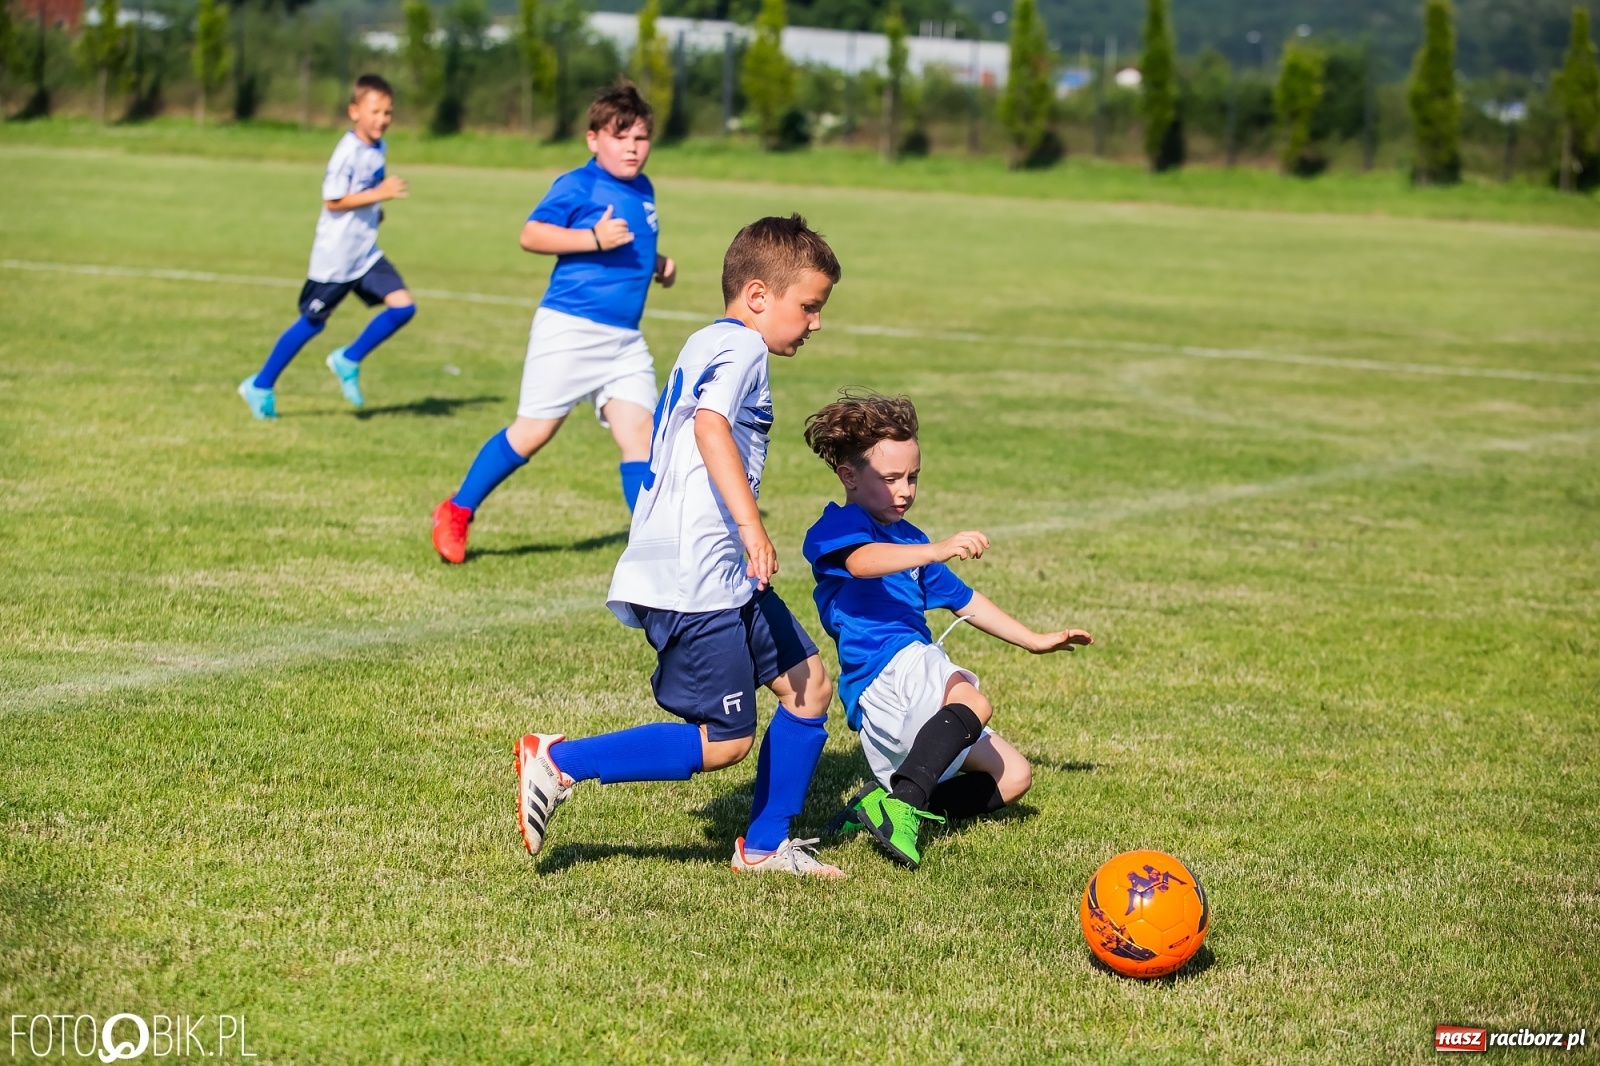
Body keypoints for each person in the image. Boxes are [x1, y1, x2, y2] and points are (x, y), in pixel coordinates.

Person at [515, 215, 844, 878]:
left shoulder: (711, 341)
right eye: (808, 307)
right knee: (726, 743)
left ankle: (761, 847)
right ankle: (558, 762)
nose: (815, 323)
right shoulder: (743, 349)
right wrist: (752, 527)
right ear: (759, 296)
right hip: (695, 576)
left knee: (809, 687)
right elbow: (711, 426)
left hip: (724, 570)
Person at [800, 391, 1093, 869]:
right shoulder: (839, 527)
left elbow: (966, 601)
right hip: (884, 671)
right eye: (891, 478)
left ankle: (885, 804)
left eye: (912, 477)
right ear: (849, 476)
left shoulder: (911, 540)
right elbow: (862, 563)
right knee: (972, 699)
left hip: (911, 680)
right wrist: (936, 548)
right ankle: (902, 806)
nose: (905, 490)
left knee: (1015, 776)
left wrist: (1036, 640)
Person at [431, 82, 676, 563]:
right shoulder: (578, 185)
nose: (631, 147)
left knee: (641, 435)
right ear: (592, 139)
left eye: (641, 137)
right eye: (619, 135)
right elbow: (531, 234)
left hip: (624, 340)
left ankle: (651, 549)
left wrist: (657, 262)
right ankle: (457, 510)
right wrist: (594, 238)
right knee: (533, 432)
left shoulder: (643, 188)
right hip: (570, 328)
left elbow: (629, 242)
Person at [239, 74, 416, 419]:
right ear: (354, 112)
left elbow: (364, 191)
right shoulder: (346, 153)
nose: (382, 120)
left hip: (364, 253)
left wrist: (375, 212)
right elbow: (334, 200)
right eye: (375, 111)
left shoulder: (379, 148)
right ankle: (260, 385)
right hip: (336, 259)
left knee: (403, 308)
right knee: (312, 323)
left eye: (388, 113)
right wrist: (379, 195)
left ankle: (347, 359)